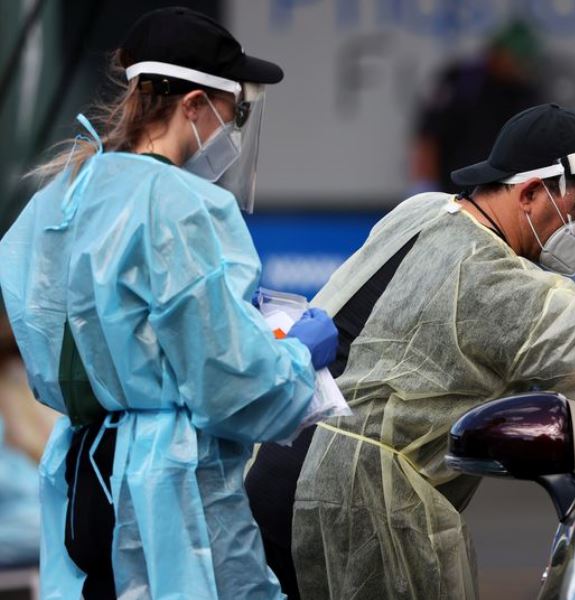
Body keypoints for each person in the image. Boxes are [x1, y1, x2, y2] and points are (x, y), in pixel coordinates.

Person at [0, 7, 339, 599]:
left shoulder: (63, 195)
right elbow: (231, 386)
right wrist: (295, 357)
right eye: (231, 114)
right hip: (165, 490)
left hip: (82, 472)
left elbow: (51, 330)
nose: (230, 134)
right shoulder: (183, 206)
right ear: (192, 105)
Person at [247, 104, 575, 599]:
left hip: (274, 463)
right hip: (348, 503)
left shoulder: (421, 211)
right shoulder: (506, 285)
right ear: (528, 193)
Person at [410, 21, 541, 193]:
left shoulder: (525, 92)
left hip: (496, 192)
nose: (521, 65)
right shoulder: (462, 81)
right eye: (516, 58)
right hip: (450, 187)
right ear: (498, 52)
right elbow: (429, 136)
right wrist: (425, 184)